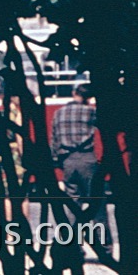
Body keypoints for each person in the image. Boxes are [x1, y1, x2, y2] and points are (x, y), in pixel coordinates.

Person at [52, 84, 100, 217]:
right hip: (87, 158)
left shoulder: (58, 113)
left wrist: (56, 161)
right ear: (89, 98)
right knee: (95, 200)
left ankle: (73, 235)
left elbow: (54, 139)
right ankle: (100, 236)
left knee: (73, 201)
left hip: (67, 160)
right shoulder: (91, 112)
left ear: (74, 93)